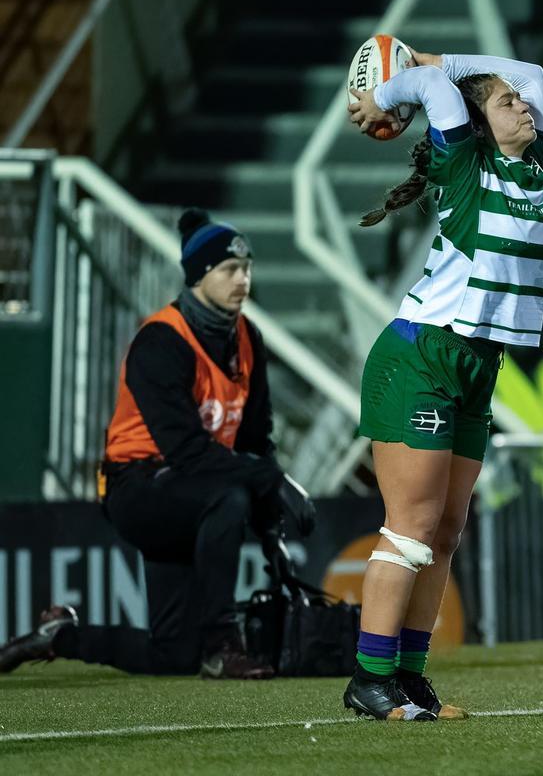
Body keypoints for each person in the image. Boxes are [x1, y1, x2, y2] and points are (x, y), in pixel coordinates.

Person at [0, 209, 314, 679]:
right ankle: (221, 643)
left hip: (190, 489)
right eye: (229, 269)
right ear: (199, 275)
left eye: (246, 269)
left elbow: (254, 441)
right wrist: (271, 481)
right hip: (136, 487)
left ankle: (60, 636)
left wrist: (271, 529)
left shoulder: (248, 338)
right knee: (228, 498)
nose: (242, 279)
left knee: (172, 655)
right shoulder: (161, 341)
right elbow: (187, 450)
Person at [343, 43, 543, 721]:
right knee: (410, 528)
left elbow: (532, 74)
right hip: (421, 360)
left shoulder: (530, 166)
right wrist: (393, 89)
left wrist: (435, 56)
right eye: (504, 104)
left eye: (518, 104)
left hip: (475, 365)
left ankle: (408, 676)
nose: (521, 103)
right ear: (477, 125)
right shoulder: (467, 166)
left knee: (447, 530)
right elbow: (435, 90)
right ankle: (369, 679)